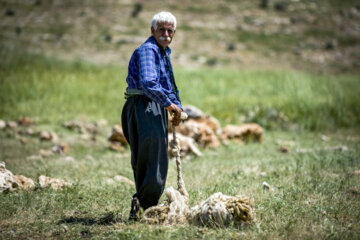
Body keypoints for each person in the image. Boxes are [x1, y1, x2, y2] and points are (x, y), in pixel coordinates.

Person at [121, 11, 183, 221]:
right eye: (161, 30)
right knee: (152, 161)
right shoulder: (149, 50)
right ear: (152, 31)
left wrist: (178, 108)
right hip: (145, 106)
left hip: (152, 106)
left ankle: (143, 207)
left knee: (151, 160)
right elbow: (148, 84)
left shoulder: (162, 52)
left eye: (169, 30)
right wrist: (169, 105)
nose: (166, 33)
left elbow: (167, 86)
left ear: (174, 33)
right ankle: (145, 208)